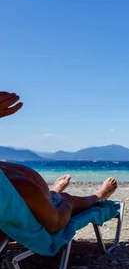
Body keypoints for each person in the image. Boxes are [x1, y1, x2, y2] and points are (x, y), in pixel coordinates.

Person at [0, 92, 118, 234]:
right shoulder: (15, 185)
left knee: (45, 194)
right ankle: (98, 196)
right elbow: (54, 223)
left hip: (30, 200)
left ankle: (53, 193)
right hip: (35, 207)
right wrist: (69, 202)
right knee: (65, 198)